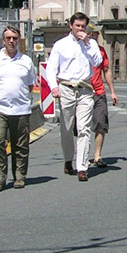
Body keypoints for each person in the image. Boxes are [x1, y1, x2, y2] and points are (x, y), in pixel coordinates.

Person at [46, 12, 103, 181]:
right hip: (66, 88)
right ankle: (68, 159)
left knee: (84, 128)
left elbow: (97, 62)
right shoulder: (60, 45)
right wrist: (53, 87)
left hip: (85, 88)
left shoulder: (91, 44)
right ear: (71, 26)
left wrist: (87, 43)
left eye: (83, 26)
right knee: (67, 128)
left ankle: (82, 167)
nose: (80, 29)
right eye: (77, 26)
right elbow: (51, 68)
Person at [0, 26, 36, 191]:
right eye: (8, 38)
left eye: (14, 38)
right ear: (3, 41)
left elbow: (30, 85)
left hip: (21, 109)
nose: (11, 41)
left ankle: (19, 176)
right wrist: (2, 96)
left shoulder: (26, 61)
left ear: (18, 40)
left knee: (21, 145)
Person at [88, 27, 118, 167]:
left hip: (99, 92)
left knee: (101, 123)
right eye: (93, 34)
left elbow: (106, 70)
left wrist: (112, 92)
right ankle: (82, 157)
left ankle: (97, 156)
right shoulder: (79, 50)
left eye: (96, 34)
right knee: (81, 127)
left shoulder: (100, 51)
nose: (96, 36)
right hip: (83, 92)